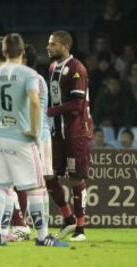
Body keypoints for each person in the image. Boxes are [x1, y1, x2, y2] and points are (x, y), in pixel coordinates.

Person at [0, 33, 68, 247]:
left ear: (2, 52)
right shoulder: (28, 74)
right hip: (20, 138)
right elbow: (34, 101)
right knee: (35, 187)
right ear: (22, 52)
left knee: (2, 187)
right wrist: (33, 129)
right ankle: (42, 236)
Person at [46, 30, 93, 242]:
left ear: (65, 46)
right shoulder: (52, 67)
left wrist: (50, 111)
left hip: (75, 131)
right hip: (57, 132)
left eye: (53, 44)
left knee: (75, 178)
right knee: (48, 175)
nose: (48, 47)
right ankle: (67, 218)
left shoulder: (77, 69)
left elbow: (76, 105)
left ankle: (80, 229)